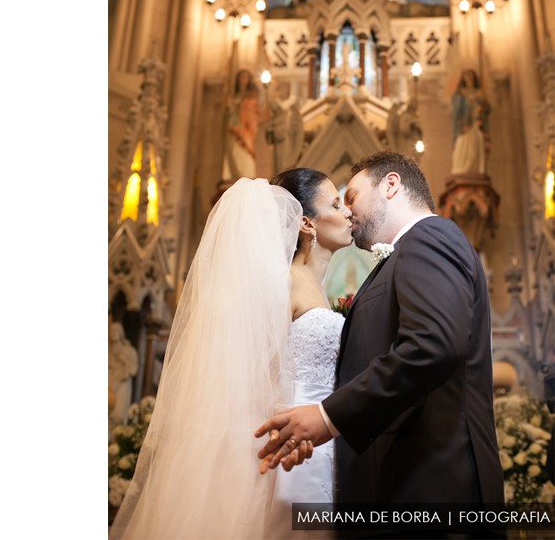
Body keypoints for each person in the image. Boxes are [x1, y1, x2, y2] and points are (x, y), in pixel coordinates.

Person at [256, 151, 505, 539]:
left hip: (432, 492)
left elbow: (432, 345)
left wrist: (326, 417)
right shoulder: (400, 257)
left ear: (391, 185)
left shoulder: (430, 237)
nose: (348, 210)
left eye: (351, 196)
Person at [109, 170, 353, 539]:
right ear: (306, 223)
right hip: (290, 443)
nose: (348, 211)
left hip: (324, 441)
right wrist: (286, 424)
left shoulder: (318, 287)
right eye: (336, 204)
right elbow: (248, 373)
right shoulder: (281, 283)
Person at [451, 69, 490, 175]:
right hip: (465, 126)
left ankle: (475, 169)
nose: (468, 77)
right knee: (462, 147)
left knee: (476, 147)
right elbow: (456, 110)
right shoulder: (460, 93)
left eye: (470, 75)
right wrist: (464, 99)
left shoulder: (479, 92)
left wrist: (482, 100)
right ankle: (461, 169)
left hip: (476, 125)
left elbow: (486, 109)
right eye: (466, 75)